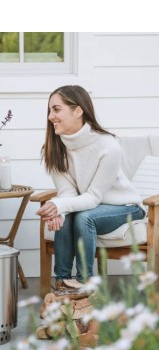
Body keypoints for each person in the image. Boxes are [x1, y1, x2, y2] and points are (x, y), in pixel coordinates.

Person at [36, 85, 145, 293]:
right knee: (71, 215)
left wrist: (58, 205)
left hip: (124, 207)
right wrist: (60, 209)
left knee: (85, 216)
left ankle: (86, 284)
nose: (51, 116)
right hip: (88, 206)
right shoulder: (55, 148)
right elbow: (68, 193)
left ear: (78, 111)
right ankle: (63, 283)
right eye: (49, 110)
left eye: (57, 109)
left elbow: (93, 198)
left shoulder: (107, 145)